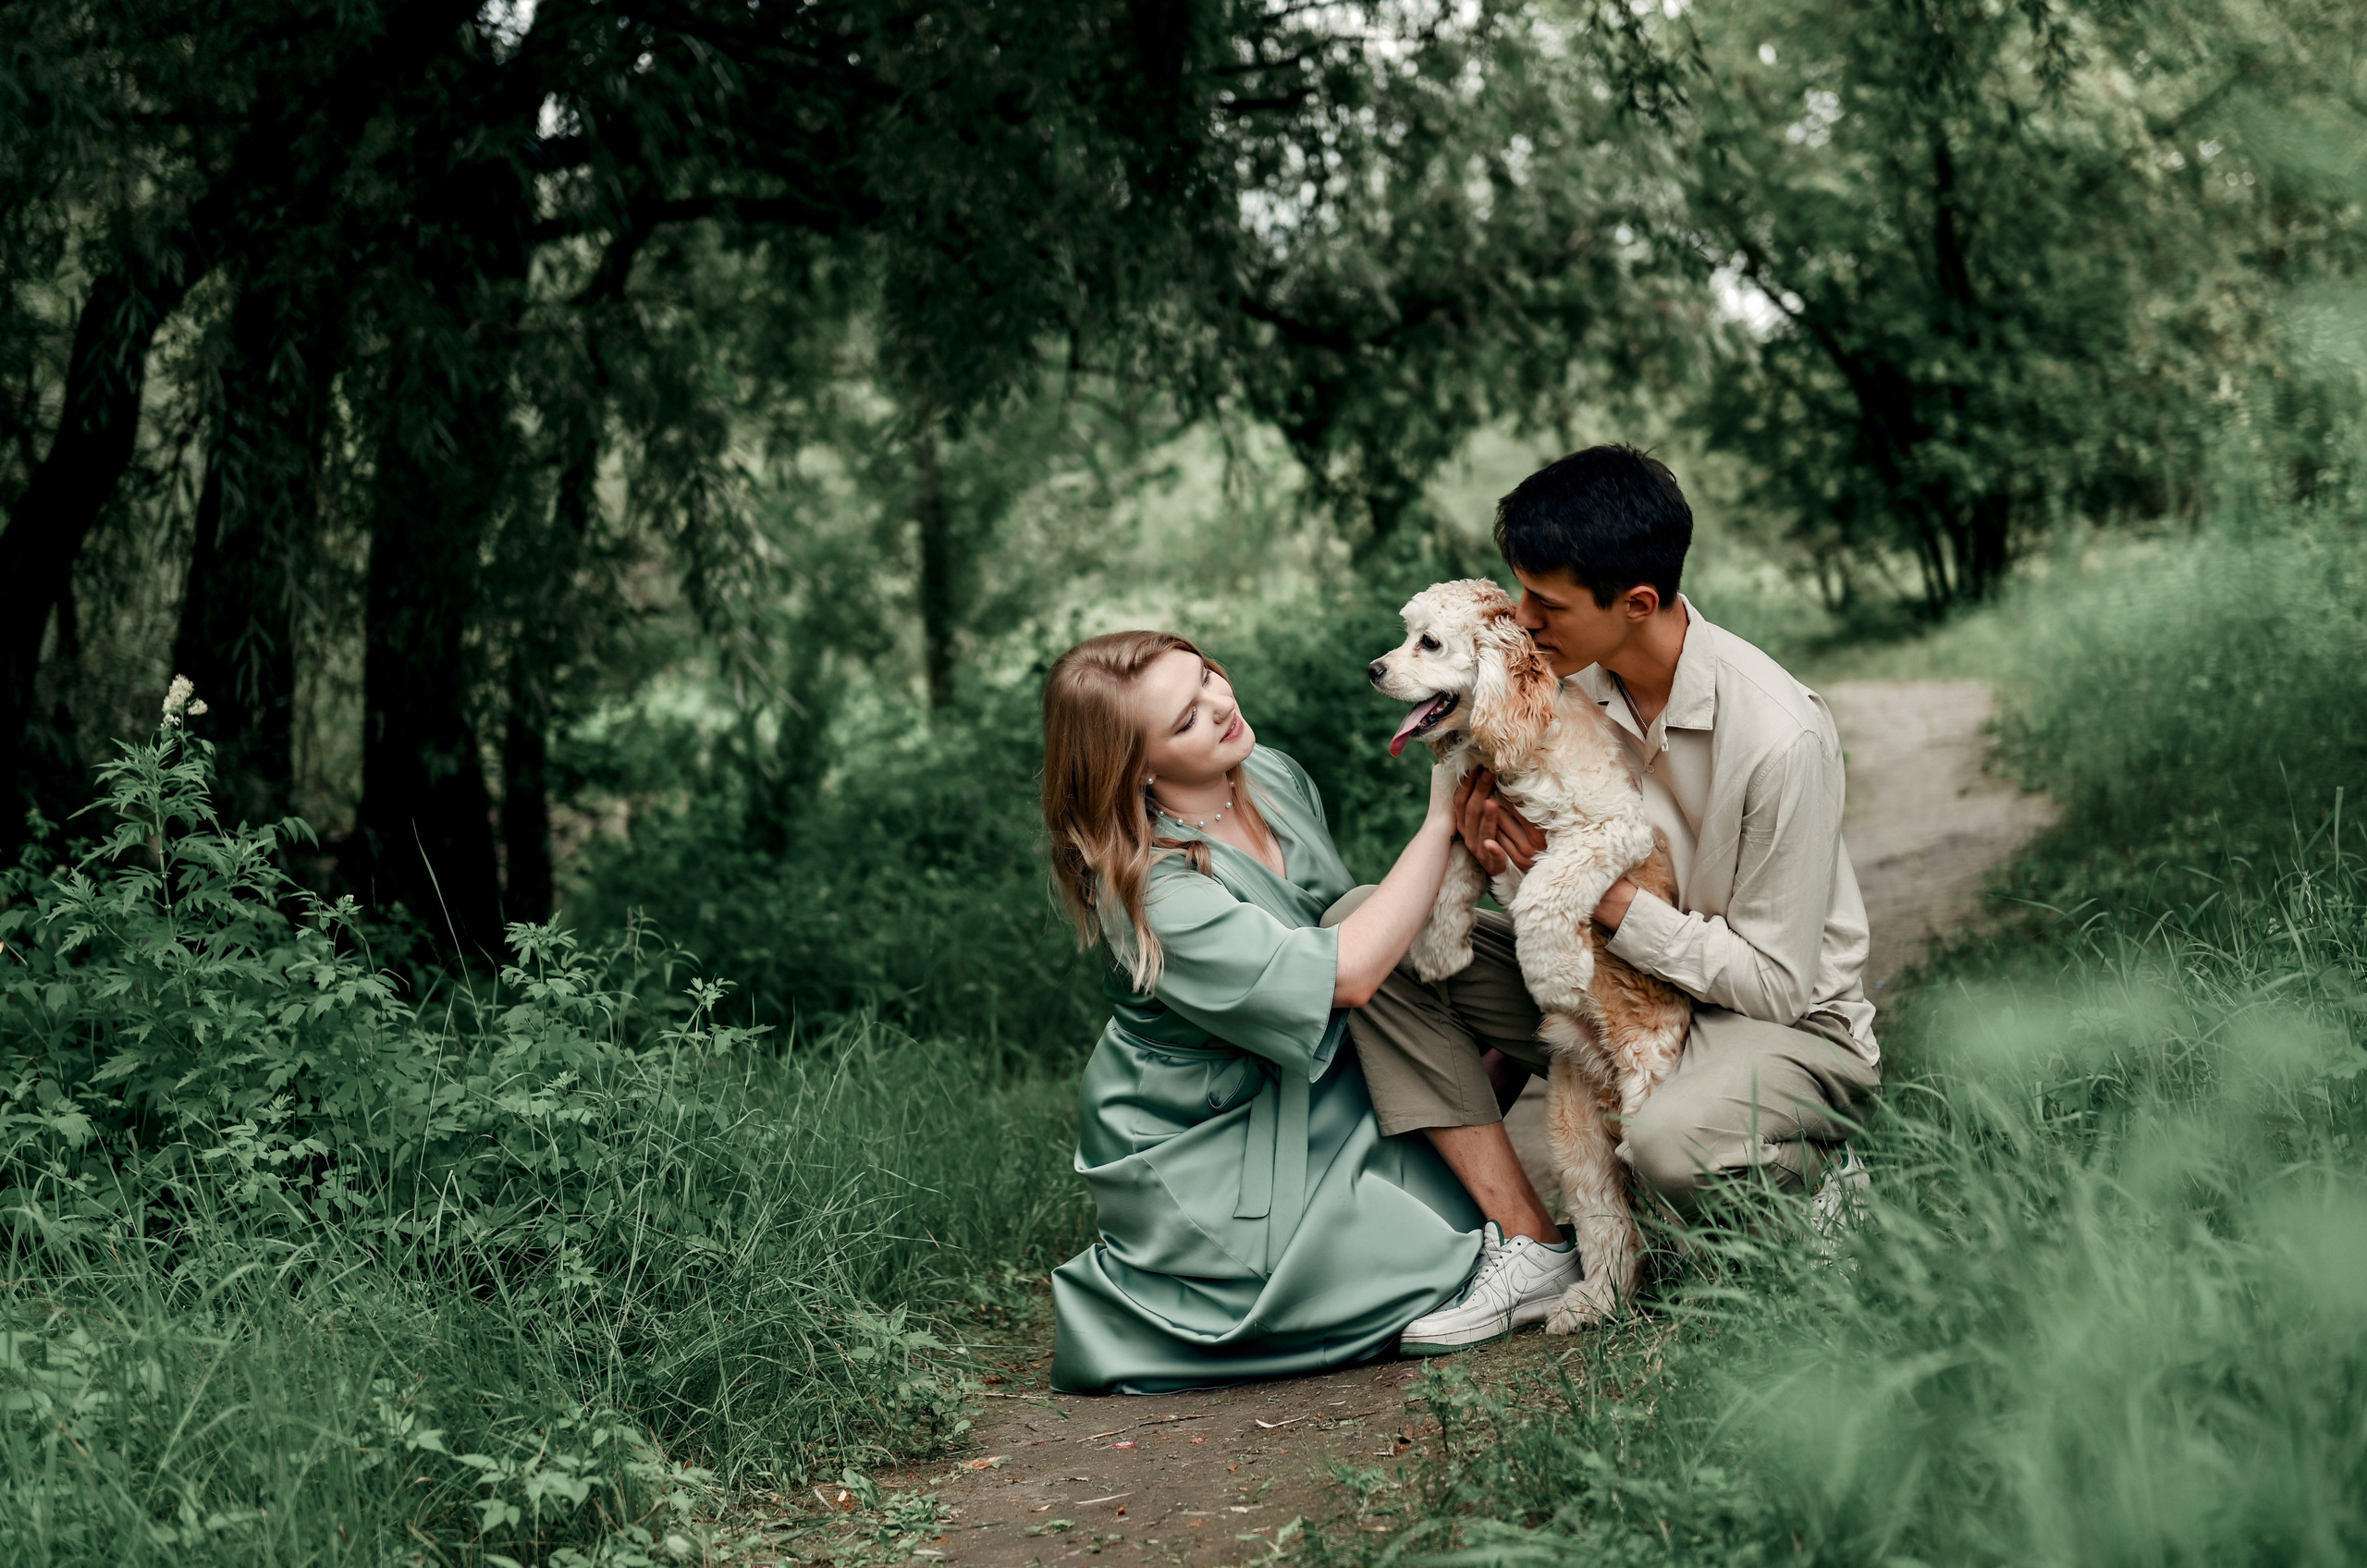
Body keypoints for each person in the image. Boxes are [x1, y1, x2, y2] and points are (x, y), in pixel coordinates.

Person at [1354, 445, 1883, 1354]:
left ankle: (1812, 1169)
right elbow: (1534, 870)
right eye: (1519, 596)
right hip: (1610, 991)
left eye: (1546, 605)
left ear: (1636, 601)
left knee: (1668, 1145)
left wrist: (1601, 900)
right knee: (1368, 936)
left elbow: (1777, 983)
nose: (1521, 622)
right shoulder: (1553, 689)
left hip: (1776, 1024)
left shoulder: (1779, 734)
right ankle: (1528, 1242)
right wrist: (1493, 853)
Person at [1041, 631, 1531, 1393]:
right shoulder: (1153, 888)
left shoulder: (1265, 773)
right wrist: (1438, 823)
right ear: (1136, 767)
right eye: (1184, 720)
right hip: (1212, 1128)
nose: (1220, 705)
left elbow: (1353, 927)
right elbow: (1350, 971)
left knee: (1504, 982)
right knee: (1434, 1260)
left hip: (1311, 1063)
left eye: (1205, 677)